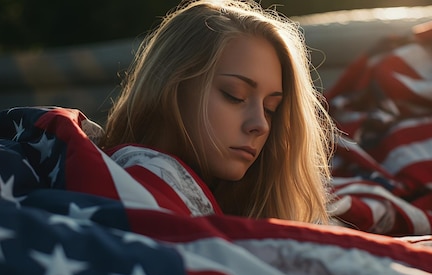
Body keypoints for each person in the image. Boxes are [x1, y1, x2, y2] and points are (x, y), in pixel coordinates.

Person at [101, 0, 336, 224]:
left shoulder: (265, 207)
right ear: (172, 86)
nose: (261, 124)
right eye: (235, 95)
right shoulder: (113, 186)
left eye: (270, 109)